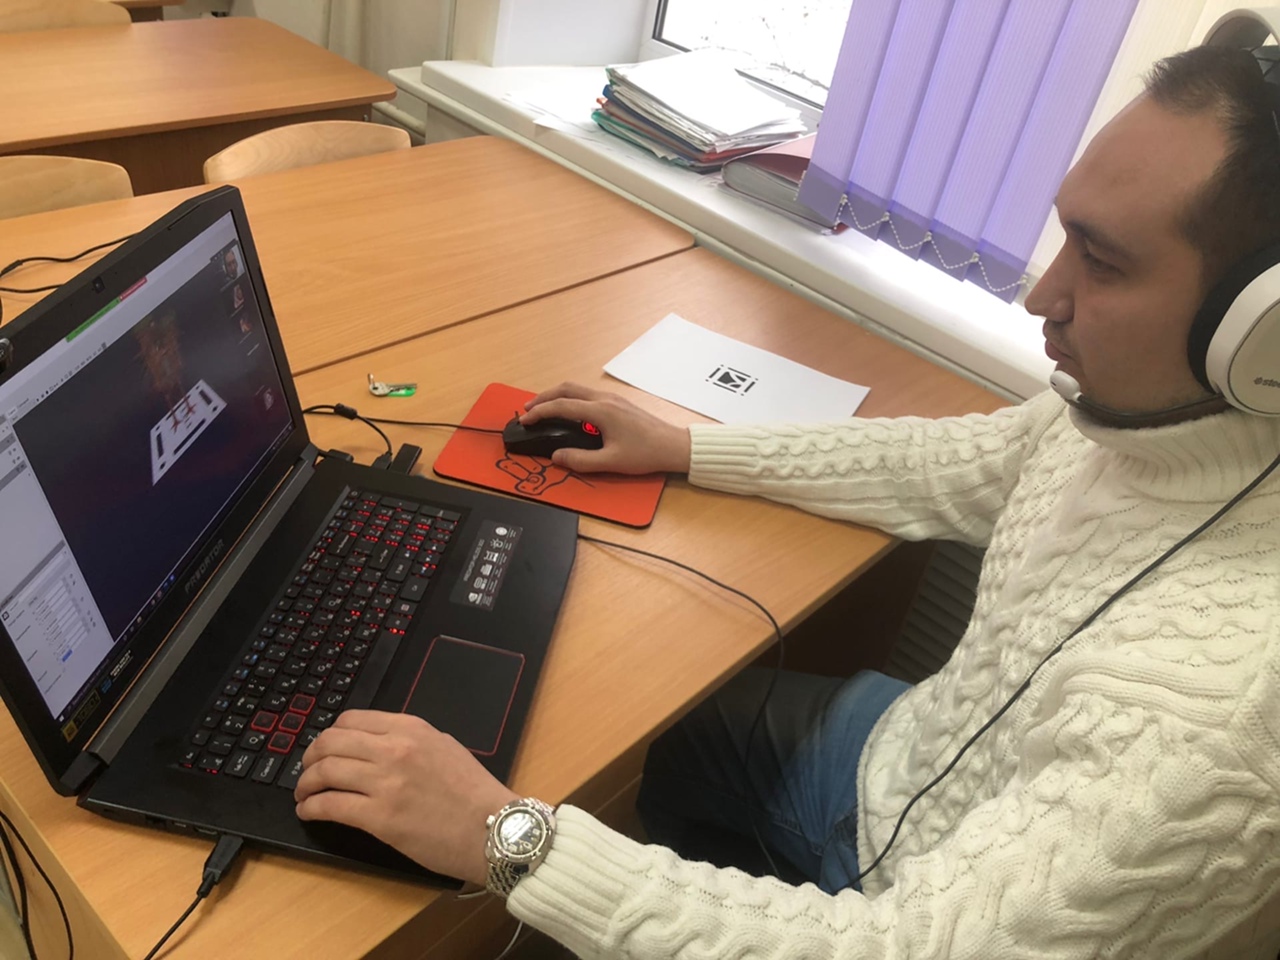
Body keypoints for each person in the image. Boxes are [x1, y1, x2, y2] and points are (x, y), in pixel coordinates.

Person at [293, 46, 1280, 959]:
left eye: (1102, 263)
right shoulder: (1132, 411)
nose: (1041, 298)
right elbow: (957, 461)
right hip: (894, 757)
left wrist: (509, 841)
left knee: (542, 793)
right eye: (1064, 237)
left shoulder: (1213, 722)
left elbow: (900, 948)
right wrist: (684, 446)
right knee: (611, 738)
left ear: (1259, 334)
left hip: (898, 910)